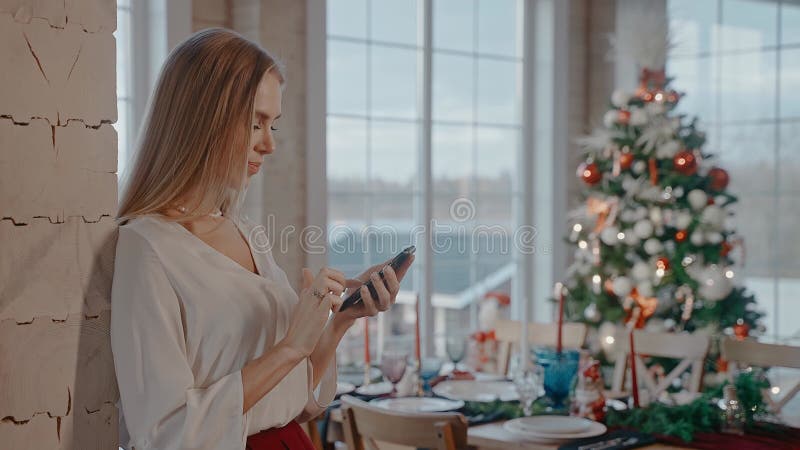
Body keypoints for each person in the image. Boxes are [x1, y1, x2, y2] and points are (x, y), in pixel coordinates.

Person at [111, 28, 413, 450]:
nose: (269, 144)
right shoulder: (145, 249)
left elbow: (297, 400)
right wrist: (291, 346)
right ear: (201, 121)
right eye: (255, 124)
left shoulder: (247, 233)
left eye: (273, 125)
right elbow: (163, 433)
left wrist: (342, 318)